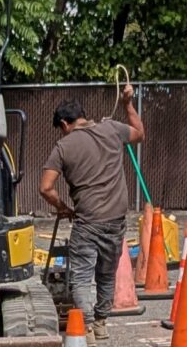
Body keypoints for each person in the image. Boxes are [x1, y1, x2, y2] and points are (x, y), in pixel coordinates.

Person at [39, 90, 142, 321]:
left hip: (87, 222)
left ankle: (85, 325)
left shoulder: (63, 147)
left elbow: (45, 188)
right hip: (116, 220)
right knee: (106, 274)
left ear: (65, 123)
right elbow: (139, 134)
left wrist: (62, 208)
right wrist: (128, 104)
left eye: (61, 127)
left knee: (81, 277)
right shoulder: (112, 129)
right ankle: (101, 323)